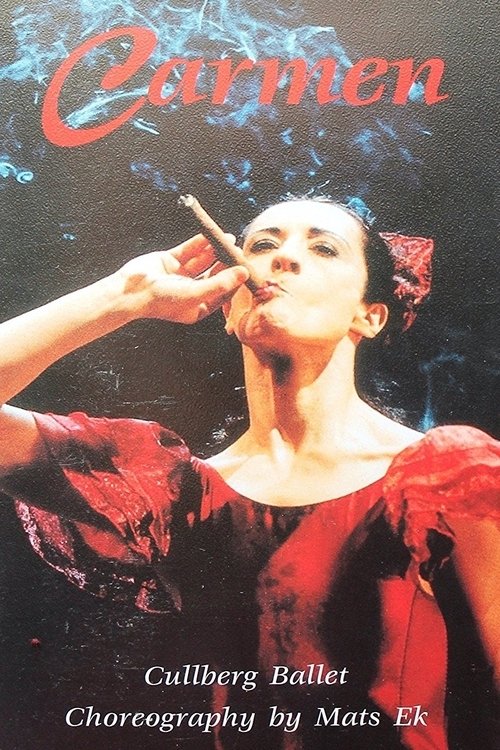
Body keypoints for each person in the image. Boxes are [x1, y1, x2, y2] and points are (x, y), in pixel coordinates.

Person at [0, 198, 499, 749]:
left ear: (370, 316)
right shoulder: (172, 491)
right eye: (262, 245)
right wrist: (123, 295)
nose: (283, 258)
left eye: (323, 248)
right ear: (228, 307)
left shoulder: (446, 476)